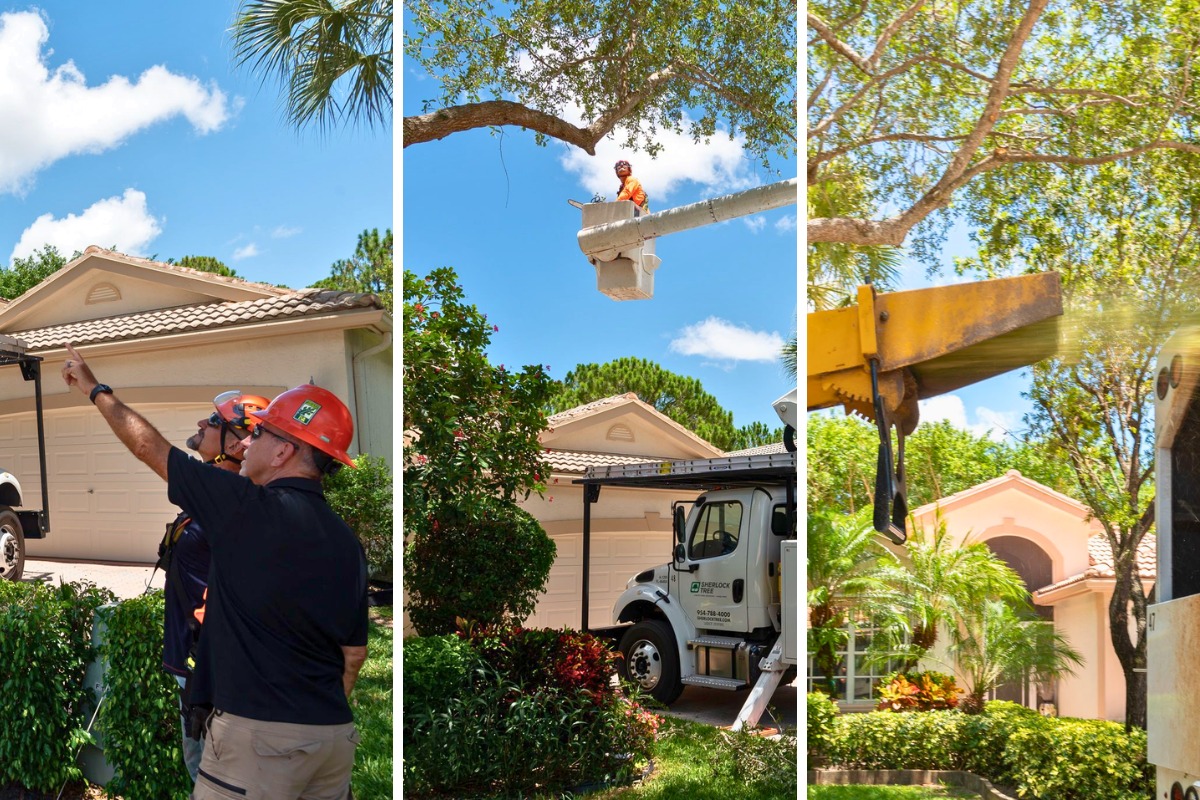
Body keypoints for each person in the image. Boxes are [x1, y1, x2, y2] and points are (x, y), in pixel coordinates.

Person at [60, 344, 368, 800]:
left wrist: (93, 386)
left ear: (285, 451)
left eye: (259, 435)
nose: (247, 442)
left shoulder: (244, 507)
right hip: (332, 739)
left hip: (258, 741)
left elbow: (149, 447)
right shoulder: (348, 543)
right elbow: (354, 655)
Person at [157, 390, 269, 782]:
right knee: (199, 765)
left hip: (215, 669)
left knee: (213, 773)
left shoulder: (233, 502)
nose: (202, 424)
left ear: (237, 443)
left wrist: (96, 391)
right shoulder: (211, 497)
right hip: (193, 659)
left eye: (214, 421)